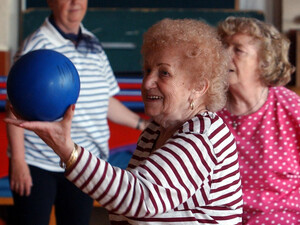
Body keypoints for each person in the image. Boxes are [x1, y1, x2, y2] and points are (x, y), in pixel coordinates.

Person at [6, 18, 243, 224]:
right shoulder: (154, 132)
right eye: (147, 70)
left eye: (164, 73)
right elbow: (126, 212)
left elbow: (140, 198)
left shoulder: (204, 135)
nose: (148, 82)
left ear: (199, 86)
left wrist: (67, 150)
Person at [6, 0, 147, 224]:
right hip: (40, 163)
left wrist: (141, 124)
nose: (74, 3)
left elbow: (104, 99)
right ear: (51, 2)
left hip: (83, 160)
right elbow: (15, 106)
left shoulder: (93, 43)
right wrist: (19, 162)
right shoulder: (36, 44)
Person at [217, 16, 300, 224]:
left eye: (238, 50)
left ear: (264, 63)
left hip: (281, 217)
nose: (224, 56)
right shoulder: (208, 110)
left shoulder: (290, 107)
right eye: (223, 46)